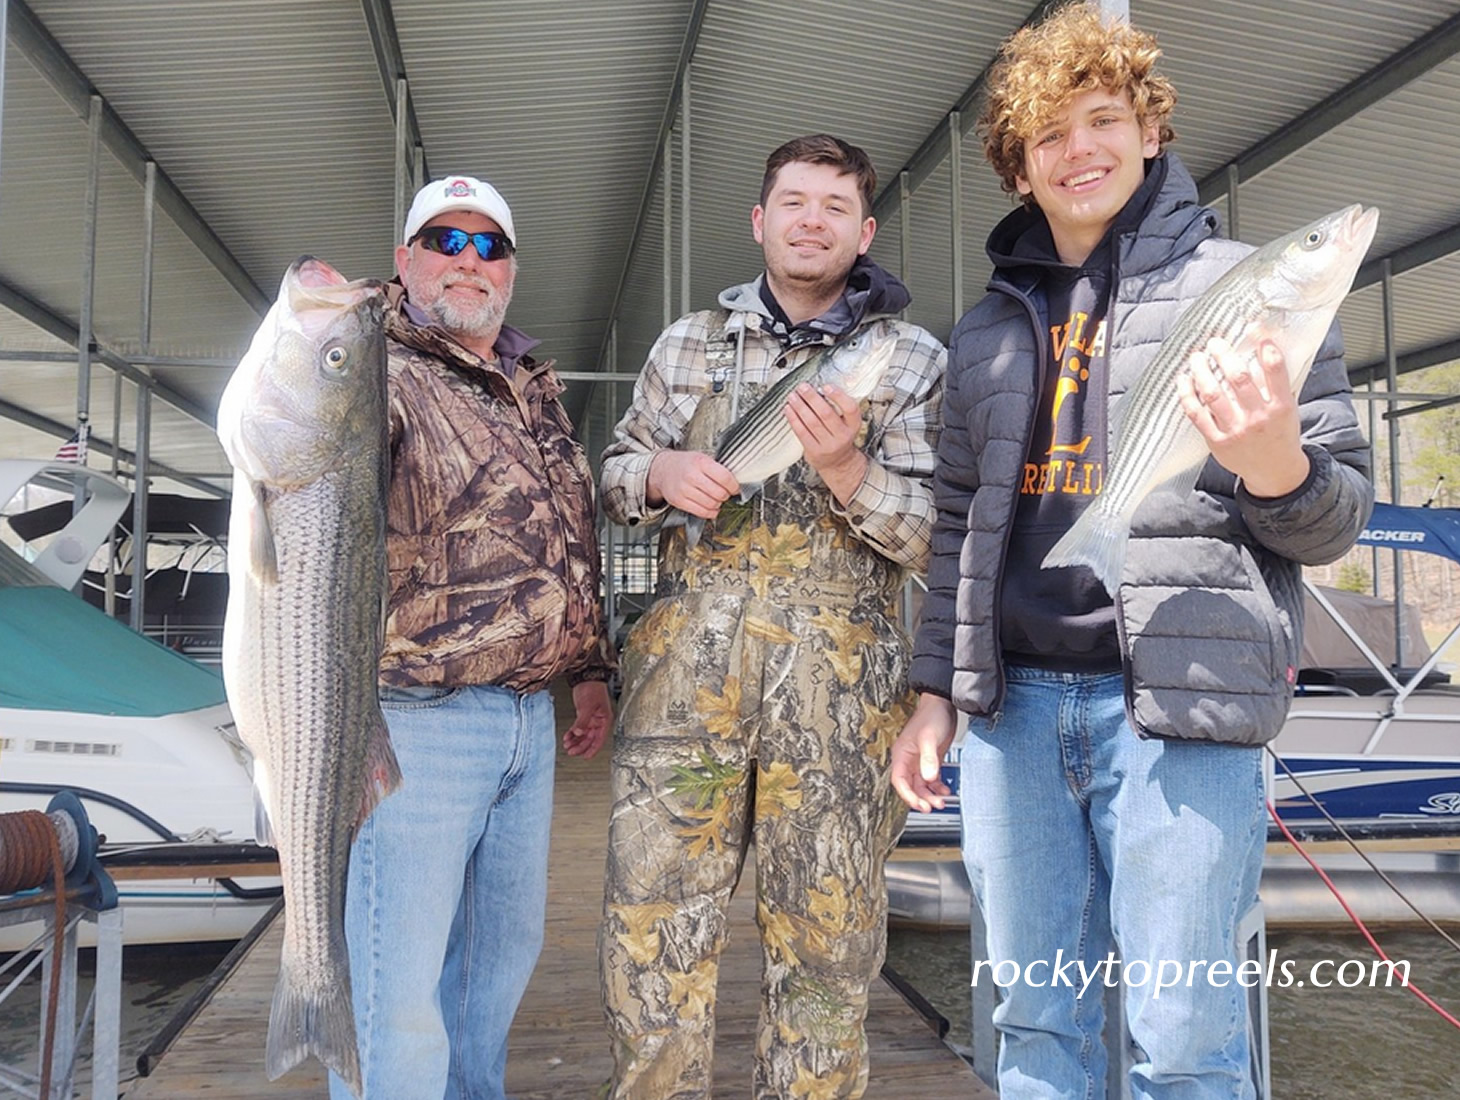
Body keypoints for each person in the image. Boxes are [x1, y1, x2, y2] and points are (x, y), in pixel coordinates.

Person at [890, 5, 1374, 1098]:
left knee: (1183, 1038)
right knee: (1032, 1027)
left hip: (1180, 711)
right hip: (1011, 719)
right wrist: (934, 693)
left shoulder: (1247, 288)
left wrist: (1273, 466)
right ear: (1018, 167)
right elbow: (959, 524)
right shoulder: (981, 330)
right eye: (1048, 134)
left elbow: (1334, 520)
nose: (1080, 151)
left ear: (1150, 131)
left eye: (1101, 118)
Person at [598, 134, 947, 1098]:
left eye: (834, 207)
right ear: (760, 221)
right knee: (651, 934)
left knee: (827, 949)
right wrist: (660, 473)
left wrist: (847, 471)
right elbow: (616, 475)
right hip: (682, 700)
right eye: (793, 202)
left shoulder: (909, 358)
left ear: (864, 230)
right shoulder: (686, 342)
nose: (811, 221)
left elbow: (933, 536)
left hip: (840, 708)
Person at [328, 174, 615, 1100]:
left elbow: (572, 537)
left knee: (491, 980)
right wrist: (330, 332)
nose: (467, 260)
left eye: (488, 245)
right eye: (444, 241)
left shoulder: (533, 388)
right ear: (406, 261)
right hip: (414, 720)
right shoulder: (374, 369)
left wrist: (592, 670)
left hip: (529, 726)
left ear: (511, 271)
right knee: (393, 990)